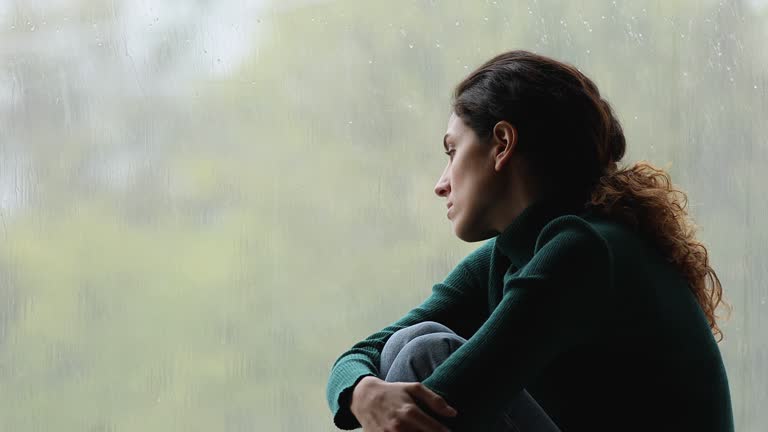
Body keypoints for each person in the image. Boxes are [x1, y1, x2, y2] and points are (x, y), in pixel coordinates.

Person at [325, 50, 734, 431]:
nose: (441, 184)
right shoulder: (509, 255)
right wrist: (361, 390)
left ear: (502, 144)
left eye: (452, 151)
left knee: (422, 353)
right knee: (406, 343)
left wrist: (372, 397)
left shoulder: (585, 248)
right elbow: (364, 354)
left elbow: (453, 396)